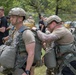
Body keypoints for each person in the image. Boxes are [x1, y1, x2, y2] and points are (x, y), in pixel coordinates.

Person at [5, 7, 35, 75]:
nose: (11, 19)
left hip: (22, 69)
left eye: (13, 17)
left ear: (21, 18)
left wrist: (27, 71)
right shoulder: (14, 31)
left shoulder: (27, 33)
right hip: (13, 66)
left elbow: (31, 53)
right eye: (10, 17)